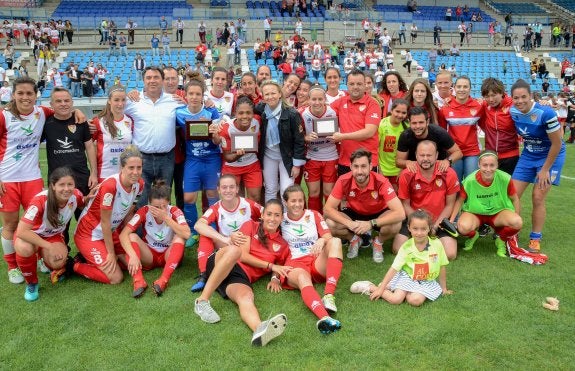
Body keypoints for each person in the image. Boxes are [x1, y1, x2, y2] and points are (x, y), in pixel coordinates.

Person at [0, 77, 83, 284]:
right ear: (13, 95)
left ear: (36, 96)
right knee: (11, 225)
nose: (25, 97)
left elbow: (63, 110)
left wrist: (77, 112)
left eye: (29, 93)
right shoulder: (4, 116)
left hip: (32, 178)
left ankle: (37, 259)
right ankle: (12, 267)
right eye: (21, 93)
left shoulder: (42, 113)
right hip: (7, 179)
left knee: (37, 223)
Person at [193, 199, 289, 347]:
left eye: (277, 215)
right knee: (235, 250)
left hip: (240, 277)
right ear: (262, 215)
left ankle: (260, 330)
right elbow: (242, 256)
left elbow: (280, 265)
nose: (272, 218)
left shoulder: (282, 244)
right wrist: (270, 266)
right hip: (223, 260)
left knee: (246, 297)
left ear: (282, 218)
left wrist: (275, 278)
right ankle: (202, 301)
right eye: (269, 214)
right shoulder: (250, 225)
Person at [14, 167, 94, 301]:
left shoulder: (76, 195)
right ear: (53, 186)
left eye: (70, 184)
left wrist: (89, 198)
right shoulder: (40, 201)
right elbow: (22, 231)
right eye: (61, 185)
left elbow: (82, 202)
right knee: (25, 248)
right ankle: (32, 283)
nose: (66, 188)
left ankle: (44, 260)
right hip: (31, 235)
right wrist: (48, 247)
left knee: (58, 262)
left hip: (52, 235)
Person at [73, 146, 144, 292]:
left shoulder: (140, 185)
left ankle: (94, 256)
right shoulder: (110, 186)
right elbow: (105, 222)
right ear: (122, 167)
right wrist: (111, 253)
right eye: (131, 168)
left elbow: (129, 211)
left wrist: (125, 237)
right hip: (89, 234)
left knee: (133, 263)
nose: (135, 172)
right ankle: (73, 265)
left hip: (111, 232)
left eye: (139, 168)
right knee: (116, 277)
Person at [509, 79, 566, 252]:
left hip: (550, 157)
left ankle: (535, 237)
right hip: (528, 155)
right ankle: (512, 232)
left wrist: (545, 170)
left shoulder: (545, 113)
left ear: (531, 95)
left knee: (538, 197)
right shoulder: (512, 111)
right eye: (516, 98)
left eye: (523, 97)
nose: (520, 101)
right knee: (512, 195)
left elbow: (557, 143)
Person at [350, 209, 452, 306]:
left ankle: (398, 288)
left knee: (415, 301)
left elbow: (442, 266)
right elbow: (394, 268)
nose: (419, 233)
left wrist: (444, 288)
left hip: (426, 281)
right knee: (396, 300)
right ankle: (371, 287)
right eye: (415, 228)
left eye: (423, 229)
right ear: (409, 228)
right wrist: (381, 289)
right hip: (407, 277)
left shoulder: (437, 244)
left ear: (429, 228)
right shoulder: (406, 247)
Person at [279, 185, 343, 333]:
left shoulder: (313, 214)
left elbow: (328, 236)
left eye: (300, 200)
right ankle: (325, 317)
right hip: (295, 263)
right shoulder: (280, 219)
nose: (297, 204)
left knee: (336, 242)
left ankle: (328, 295)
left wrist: (322, 240)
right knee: (302, 278)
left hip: (315, 260)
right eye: (293, 201)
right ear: (285, 202)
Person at [324, 149, 405, 263]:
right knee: (330, 223)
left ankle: (378, 242)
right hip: (354, 213)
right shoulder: (343, 180)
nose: (359, 171)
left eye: (363, 166)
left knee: (396, 223)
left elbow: (400, 213)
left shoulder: (381, 181)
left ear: (370, 166)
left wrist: (371, 224)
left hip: (378, 213)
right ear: (351, 166)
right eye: (356, 166)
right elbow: (327, 209)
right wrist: (349, 223)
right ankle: (354, 239)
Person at [191, 174, 262, 292]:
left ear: (237, 189)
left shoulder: (248, 204)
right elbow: (198, 225)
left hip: (247, 245)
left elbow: (267, 213)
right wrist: (225, 239)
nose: (228, 190)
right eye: (224, 187)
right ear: (218, 190)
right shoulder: (215, 208)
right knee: (205, 235)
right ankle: (204, 274)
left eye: (231, 187)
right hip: (228, 244)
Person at [119, 180, 190, 297]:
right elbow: (123, 234)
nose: (160, 210)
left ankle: (163, 280)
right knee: (132, 236)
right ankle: (138, 281)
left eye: (164, 206)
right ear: (149, 203)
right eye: (156, 207)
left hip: (168, 255)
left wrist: (166, 218)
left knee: (180, 237)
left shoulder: (175, 211)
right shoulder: (144, 211)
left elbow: (187, 234)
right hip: (149, 255)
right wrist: (132, 255)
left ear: (169, 203)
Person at [124, 66, 182, 209]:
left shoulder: (174, 101)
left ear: (162, 80)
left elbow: (193, 110)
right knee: (140, 202)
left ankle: (160, 231)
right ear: (143, 81)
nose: (152, 81)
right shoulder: (133, 101)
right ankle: (138, 232)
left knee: (162, 201)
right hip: (142, 159)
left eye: (156, 77)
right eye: (148, 78)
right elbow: (112, 109)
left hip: (166, 158)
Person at [394, 141, 460, 260]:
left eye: (429, 155)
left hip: (440, 221)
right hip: (415, 219)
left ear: (436, 155)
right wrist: (419, 224)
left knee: (450, 254)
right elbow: (405, 205)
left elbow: (450, 205)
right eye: (422, 155)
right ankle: (425, 244)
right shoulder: (406, 175)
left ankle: (427, 244)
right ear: (416, 155)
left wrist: (434, 227)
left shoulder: (449, 173)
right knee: (397, 249)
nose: (425, 159)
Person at [451, 151, 523, 257]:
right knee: (462, 227)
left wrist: (516, 217)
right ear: (479, 165)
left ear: (497, 165)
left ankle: (501, 240)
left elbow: (515, 199)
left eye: (492, 165)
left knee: (517, 222)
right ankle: (473, 235)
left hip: (498, 213)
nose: (488, 169)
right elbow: (459, 201)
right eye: (485, 165)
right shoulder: (469, 181)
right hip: (475, 214)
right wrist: (452, 221)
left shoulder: (505, 178)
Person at [175, 73, 221, 239]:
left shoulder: (211, 112)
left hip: (211, 158)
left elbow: (217, 141)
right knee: (188, 198)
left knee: (212, 195)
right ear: (185, 95)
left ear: (203, 96)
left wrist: (213, 133)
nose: (194, 97)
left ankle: (213, 229)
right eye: (191, 94)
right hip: (192, 159)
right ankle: (193, 232)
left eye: (198, 94)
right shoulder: (179, 113)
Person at [256, 80, 306, 202]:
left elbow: (299, 140)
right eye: (267, 94)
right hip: (269, 156)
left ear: (279, 94)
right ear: (262, 96)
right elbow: (243, 115)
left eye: (273, 93)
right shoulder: (260, 110)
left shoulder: (292, 113)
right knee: (270, 188)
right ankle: (271, 217)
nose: (270, 96)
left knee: (286, 190)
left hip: (287, 158)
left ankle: (286, 219)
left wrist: (297, 165)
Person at [330, 70, 380, 175]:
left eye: (359, 84)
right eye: (352, 84)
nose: (355, 87)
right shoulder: (341, 102)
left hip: (367, 161)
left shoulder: (372, 104)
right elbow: (324, 112)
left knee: (368, 191)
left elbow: (369, 132)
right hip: (346, 161)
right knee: (345, 191)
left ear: (365, 85)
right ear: (346, 84)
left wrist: (342, 136)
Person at [300, 85, 339, 212]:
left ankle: (329, 220)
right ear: (309, 100)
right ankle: (314, 220)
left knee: (329, 192)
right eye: (314, 99)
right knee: (314, 193)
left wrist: (338, 137)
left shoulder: (333, 112)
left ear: (325, 99)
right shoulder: (302, 114)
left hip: (331, 156)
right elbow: (296, 136)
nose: (317, 102)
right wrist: (305, 137)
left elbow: (342, 131)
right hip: (312, 157)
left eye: (320, 99)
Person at [218, 96, 262, 203]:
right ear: (235, 113)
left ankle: (254, 219)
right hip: (232, 167)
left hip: (252, 164)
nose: (245, 116)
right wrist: (239, 154)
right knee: (234, 200)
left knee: (255, 197)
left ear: (253, 113)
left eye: (248, 112)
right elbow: (227, 157)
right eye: (241, 113)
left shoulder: (257, 121)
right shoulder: (226, 128)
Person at [438, 76, 483, 181]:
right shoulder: (445, 108)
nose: (462, 89)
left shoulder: (479, 106)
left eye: (465, 87)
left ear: (470, 89)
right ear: (454, 88)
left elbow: (486, 125)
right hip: (453, 152)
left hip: (472, 152)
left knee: (470, 184)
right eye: (459, 86)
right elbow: (442, 133)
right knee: (455, 184)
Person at [396, 107, 462, 172]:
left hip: (439, 169)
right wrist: (407, 163)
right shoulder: (405, 136)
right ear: (409, 123)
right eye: (414, 123)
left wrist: (448, 161)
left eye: (421, 122)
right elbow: (398, 161)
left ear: (427, 122)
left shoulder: (439, 133)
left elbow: (458, 152)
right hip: (415, 170)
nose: (418, 126)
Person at [91, 85, 133, 182]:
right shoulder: (98, 121)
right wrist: (93, 172)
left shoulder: (130, 121)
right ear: (109, 101)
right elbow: (89, 146)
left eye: (123, 100)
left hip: (125, 175)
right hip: (104, 174)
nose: (120, 104)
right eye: (116, 100)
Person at [479, 78, 519, 175]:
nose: (491, 99)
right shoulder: (484, 105)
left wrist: (543, 103)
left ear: (502, 92)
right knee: (490, 188)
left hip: (510, 156)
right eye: (487, 96)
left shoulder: (513, 105)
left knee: (508, 189)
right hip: (490, 156)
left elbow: (529, 107)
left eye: (493, 95)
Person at [377, 99, 409, 191]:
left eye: (403, 113)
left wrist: (402, 170)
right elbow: (376, 148)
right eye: (397, 111)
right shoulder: (382, 124)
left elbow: (409, 151)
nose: (400, 115)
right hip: (383, 170)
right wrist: (379, 170)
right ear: (391, 110)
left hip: (398, 171)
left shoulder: (407, 127)